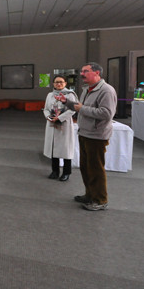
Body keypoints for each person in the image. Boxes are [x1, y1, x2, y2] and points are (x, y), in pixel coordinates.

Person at [57, 63, 117, 211]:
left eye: (86, 71)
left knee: (95, 169)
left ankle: (100, 200)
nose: (82, 74)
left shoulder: (106, 90)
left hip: (96, 136)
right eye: (82, 71)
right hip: (84, 133)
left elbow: (106, 113)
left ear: (97, 73)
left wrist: (82, 108)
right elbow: (80, 107)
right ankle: (90, 195)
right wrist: (67, 102)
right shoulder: (87, 89)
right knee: (86, 168)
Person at [43, 75, 78, 182]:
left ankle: (66, 172)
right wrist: (49, 117)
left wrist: (60, 118)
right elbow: (46, 109)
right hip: (52, 124)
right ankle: (55, 171)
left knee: (66, 149)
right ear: (53, 84)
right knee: (53, 148)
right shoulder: (50, 95)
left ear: (65, 83)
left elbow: (73, 109)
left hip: (64, 124)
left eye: (61, 82)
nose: (59, 84)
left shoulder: (70, 94)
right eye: (56, 82)